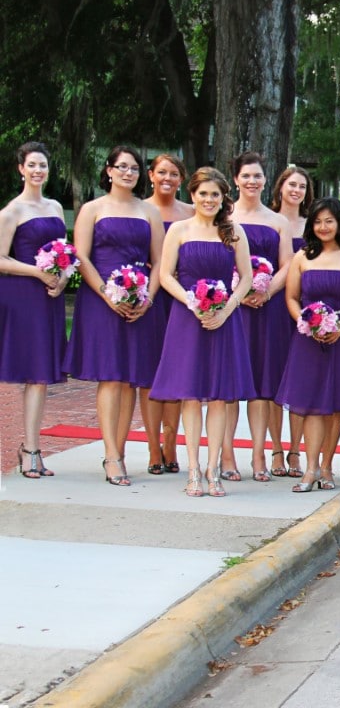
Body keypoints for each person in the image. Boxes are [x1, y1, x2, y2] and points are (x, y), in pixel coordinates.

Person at [64, 145, 166, 486]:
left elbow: (160, 261)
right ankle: (110, 455)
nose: (128, 173)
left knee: (130, 379)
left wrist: (147, 298)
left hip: (140, 303)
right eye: (121, 167)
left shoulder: (148, 212)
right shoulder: (92, 209)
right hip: (101, 300)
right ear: (108, 170)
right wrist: (109, 295)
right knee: (110, 376)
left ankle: (120, 452)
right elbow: (82, 256)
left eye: (134, 168)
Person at [150, 167, 255, 497]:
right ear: (192, 195)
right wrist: (192, 302)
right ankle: (193, 468)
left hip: (225, 320)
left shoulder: (233, 231)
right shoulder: (179, 230)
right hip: (187, 319)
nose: (209, 199)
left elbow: (247, 278)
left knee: (221, 397)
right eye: (202, 193)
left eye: (215, 194)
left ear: (223, 197)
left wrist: (226, 310)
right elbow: (166, 275)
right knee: (191, 395)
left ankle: (215, 469)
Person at [276, 198, 340, 491]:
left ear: (339, 223)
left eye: (329, 221)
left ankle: (327, 467)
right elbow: (291, 297)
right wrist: (305, 323)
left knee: (336, 405)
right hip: (308, 341)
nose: (323, 227)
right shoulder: (302, 256)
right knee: (311, 405)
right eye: (317, 221)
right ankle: (310, 469)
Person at [223, 152, 295, 481]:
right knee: (229, 386)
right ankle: (225, 457)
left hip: (269, 309)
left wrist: (265, 291)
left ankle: (258, 456)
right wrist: (238, 292)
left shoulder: (278, 221)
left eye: (258, 176)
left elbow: (287, 266)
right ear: (236, 179)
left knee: (262, 388)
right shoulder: (224, 218)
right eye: (246, 176)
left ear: (266, 181)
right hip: (233, 310)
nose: (253, 181)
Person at [0, 142, 68, 478]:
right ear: (21, 169)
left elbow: (64, 251)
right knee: (30, 373)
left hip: (50, 296)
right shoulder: (11, 211)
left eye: (43, 165)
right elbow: (0, 259)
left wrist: (63, 277)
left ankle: (32, 447)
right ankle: (28, 451)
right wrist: (38, 272)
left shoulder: (55, 207)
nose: (38, 170)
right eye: (32, 165)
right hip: (23, 296)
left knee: (41, 378)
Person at [142, 153, 194, 475]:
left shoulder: (191, 212)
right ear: (151, 175)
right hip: (149, 296)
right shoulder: (141, 210)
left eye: (174, 173)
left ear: (181, 179)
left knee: (176, 369)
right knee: (149, 372)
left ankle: (171, 442)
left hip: (182, 299)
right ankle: (151, 447)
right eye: (162, 172)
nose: (167, 178)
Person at [270, 165, 315, 480]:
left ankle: (296, 450)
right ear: (281, 187)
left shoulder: (314, 226)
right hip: (271, 305)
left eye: (301, 186)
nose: (296, 190)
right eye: (291, 184)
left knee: (299, 380)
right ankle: (274, 450)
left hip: (303, 308)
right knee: (272, 380)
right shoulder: (268, 219)